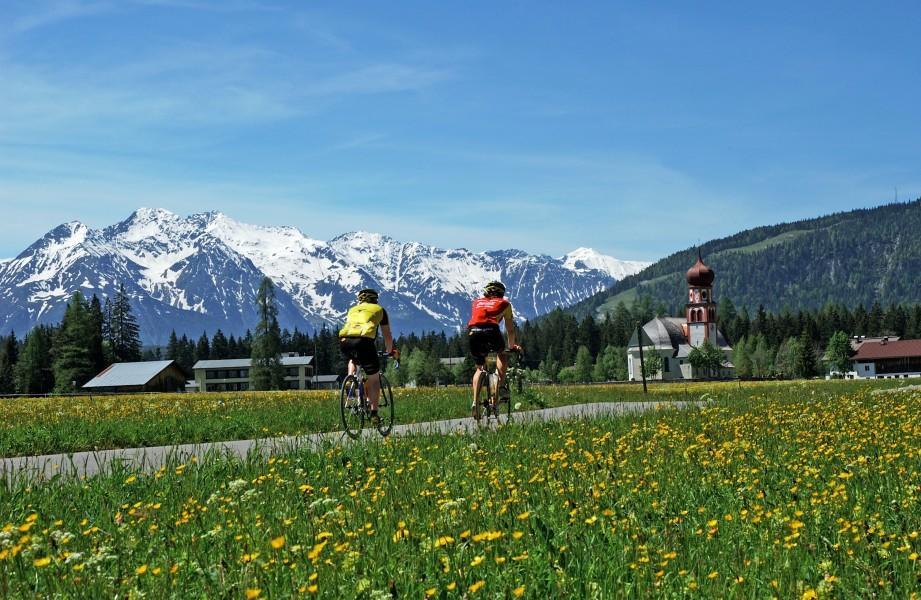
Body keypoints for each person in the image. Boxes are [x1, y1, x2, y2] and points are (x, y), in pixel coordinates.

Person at [339, 288, 398, 423]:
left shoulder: (352, 310)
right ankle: (374, 414)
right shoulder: (379, 310)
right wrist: (390, 351)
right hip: (364, 342)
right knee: (374, 378)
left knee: (353, 358)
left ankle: (351, 378)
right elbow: (387, 336)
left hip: (344, 341)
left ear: (360, 300)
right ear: (375, 300)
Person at [467, 281, 521, 415]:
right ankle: (500, 386)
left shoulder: (476, 302)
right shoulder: (505, 304)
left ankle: (475, 401)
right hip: (492, 331)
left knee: (480, 367)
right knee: (501, 354)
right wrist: (512, 346)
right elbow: (510, 330)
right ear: (502, 294)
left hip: (473, 332)